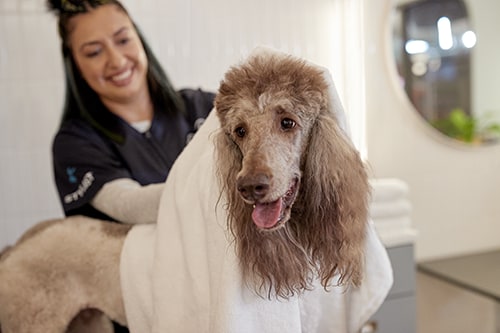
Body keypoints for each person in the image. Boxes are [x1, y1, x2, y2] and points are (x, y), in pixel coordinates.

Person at [47, 0, 214, 331]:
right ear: (74, 65)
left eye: (123, 40)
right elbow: (131, 204)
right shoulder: (76, 143)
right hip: (143, 315)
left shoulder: (205, 108)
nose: (116, 60)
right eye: (94, 52)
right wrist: (221, 187)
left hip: (219, 303)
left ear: (139, 39)